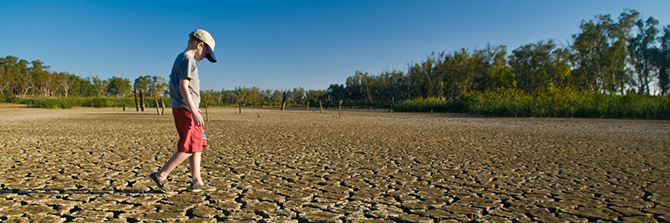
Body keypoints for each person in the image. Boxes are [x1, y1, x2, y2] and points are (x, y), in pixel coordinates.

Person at [149, 29, 218, 193]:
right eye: (206, 53)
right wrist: (193, 110)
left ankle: (197, 181)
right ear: (200, 45)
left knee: (198, 143)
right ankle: (161, 175)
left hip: (187, 108)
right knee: (189, 146)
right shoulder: (188, 60)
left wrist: (195, 108)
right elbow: (183, 86)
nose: (204, 58)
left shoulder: (181, 58)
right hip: (186, 109)